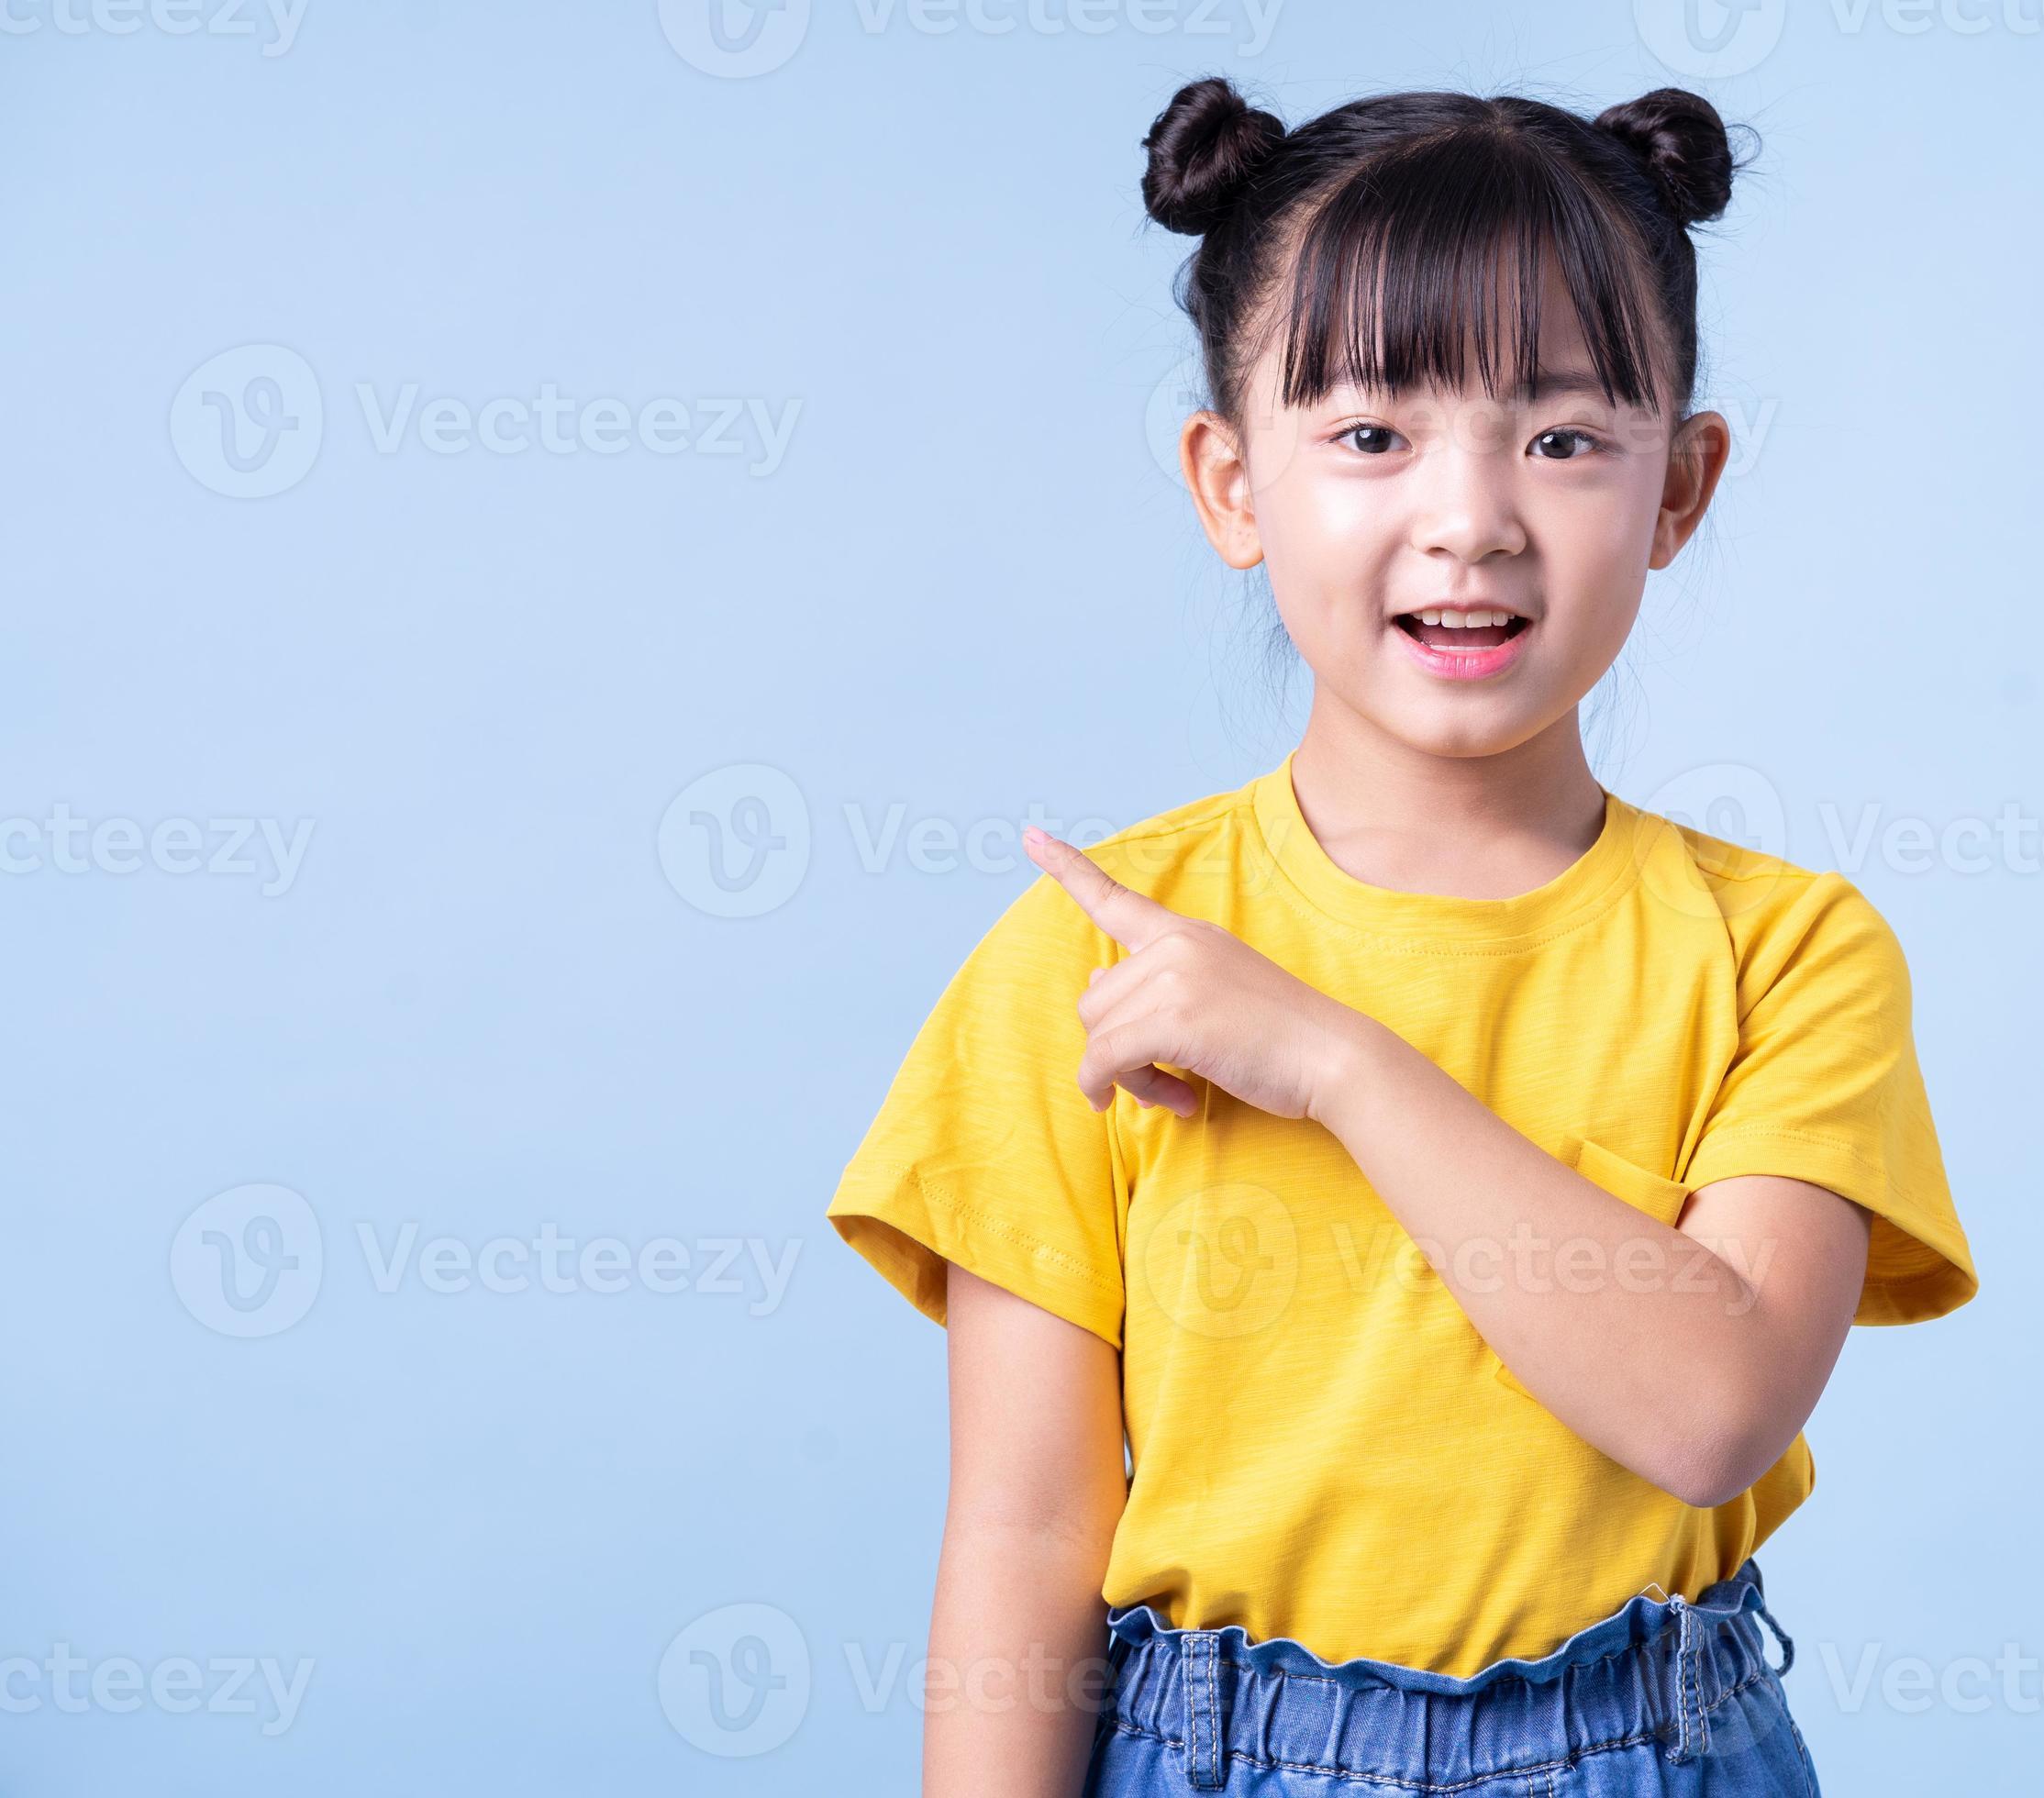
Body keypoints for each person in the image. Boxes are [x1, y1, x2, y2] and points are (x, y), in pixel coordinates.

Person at [827, 73, 1980, 1795]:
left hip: (1650, 1752)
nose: (1473, 515)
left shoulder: (1784, 954)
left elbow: (1710, 1405)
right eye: (1373, 434)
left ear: (1683, 486)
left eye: (1566, 437)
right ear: (1231, 483)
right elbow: (1019, 1535)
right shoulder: (1091, 957)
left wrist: (1332, 1062)